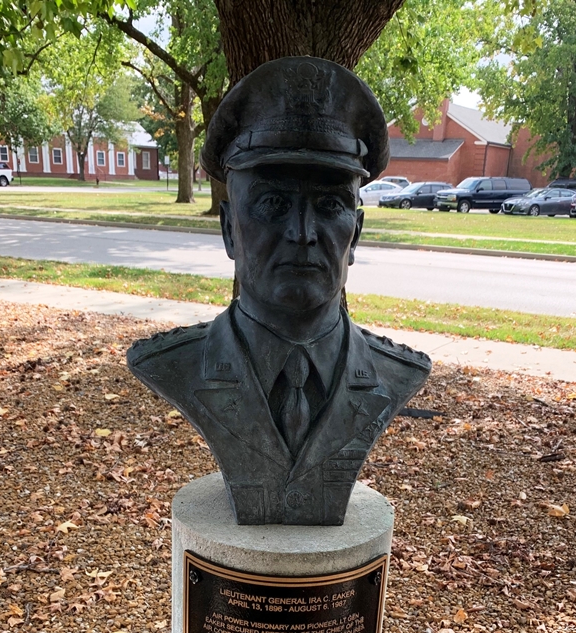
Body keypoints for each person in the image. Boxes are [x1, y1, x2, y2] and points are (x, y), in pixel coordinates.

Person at [128, 57, 431, 526]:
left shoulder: (394, 373)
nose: (303, 232)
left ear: (356, 234)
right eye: (272, 203)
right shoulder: (173, 364)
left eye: (330, 204)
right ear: (230, 230)